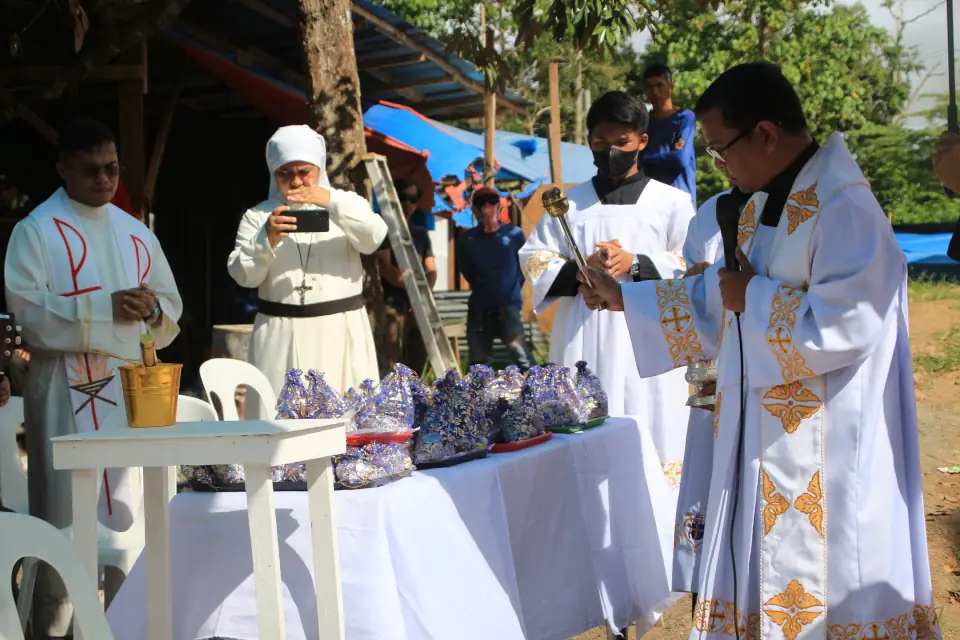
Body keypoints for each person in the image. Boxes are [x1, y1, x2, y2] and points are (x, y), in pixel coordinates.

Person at [580, 63, 938, 634]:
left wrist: (756, 295)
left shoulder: (844, 207)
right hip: (763, 438)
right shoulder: (767, 201)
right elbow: (721, 296)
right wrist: (627, 299)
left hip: (830, 446)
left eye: (723, 149)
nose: (719, 165)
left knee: (830, 587)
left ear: (766, 135)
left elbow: (848, 325)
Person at [5, 116, 182, 637]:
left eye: (111, 168)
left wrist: (151, 311)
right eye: (90, 171)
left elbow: (171, 308)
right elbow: (26, 314)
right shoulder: (35, 230)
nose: (104, 180)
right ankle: (55, 628)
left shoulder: (135, 231)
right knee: (63, 525)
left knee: (131, 527)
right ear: (62, 170)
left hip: (129, 393)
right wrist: (102, 308)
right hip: (63, 389)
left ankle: (127, 628)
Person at [519, 91, 695, 473]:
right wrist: (583, 269)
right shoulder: (568, 205)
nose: (611, 150)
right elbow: (536, 258)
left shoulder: (673, 203)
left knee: (650, 435)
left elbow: (691, 264)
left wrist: (636, 263)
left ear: (642, 142)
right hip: (585, 331)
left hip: (646, 338)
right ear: (589, 142)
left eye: (621, 142)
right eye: (600, 143)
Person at [228, 125, 387, 418]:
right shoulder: (259, 216)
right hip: (279, 335)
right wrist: (267, 240)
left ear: (318, 167)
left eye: (304, 171)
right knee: (277, 429)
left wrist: (329, 200)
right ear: (273, 174)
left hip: (340, 332)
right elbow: (243, 275)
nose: (296, 181)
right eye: (284, 173)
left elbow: (373, 238)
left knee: (346, 427)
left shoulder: (346, 203)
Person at [671, 186, 726, 606]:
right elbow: (689, 284)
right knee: (705, 515)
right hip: (710, 391)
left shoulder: (809, 207)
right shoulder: (711, 212)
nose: (721, 161)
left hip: (766, 392)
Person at [457, 186, 534, 369]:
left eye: (492, 202)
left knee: (519, 352)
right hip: (480, 309)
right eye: (482, 204)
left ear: (499, 207)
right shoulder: (467, 240)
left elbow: (524, 268)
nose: (487, 207)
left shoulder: (514, 234)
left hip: (508, 307)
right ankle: (480, 396)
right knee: (479, 361)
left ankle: (539, 389)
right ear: (475, 210)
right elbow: (467, 271)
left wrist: (510, 292)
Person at [378, 178, 437, 375]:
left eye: (412, 199)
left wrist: (421, 295)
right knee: (392, 357)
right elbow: (385, 268)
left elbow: (431, 269)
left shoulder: (420, 233)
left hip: (418, 303)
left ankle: (415, 395)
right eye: (402, 198)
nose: (407, 203)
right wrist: (412, 289)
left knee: (419, 355)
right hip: (392, 303)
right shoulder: (383, 229)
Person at [640, 64, 697, 205]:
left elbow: (681, 159)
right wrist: (671, 154)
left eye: (659, 85)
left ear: (671, 87)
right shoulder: (643, 122)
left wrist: (645, 158)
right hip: (652, 202)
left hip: (681, 200)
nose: (654, 90)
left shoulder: (684, 117)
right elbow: (636, 160)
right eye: (649, 86)